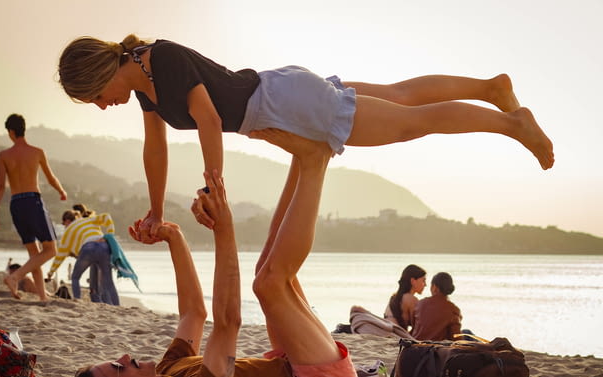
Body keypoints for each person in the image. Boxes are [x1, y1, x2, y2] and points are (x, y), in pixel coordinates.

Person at [57, 35, 554, 241]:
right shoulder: (146, 85)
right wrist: (156, 210)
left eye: (95, 96)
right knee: (401, 98)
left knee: (409, 124)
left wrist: (213, 184)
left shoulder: (158, 59)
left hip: (284, 103)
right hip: (281, 93)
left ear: (103, 70)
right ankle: (492, 88)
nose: (102, 105)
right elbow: (155, 147)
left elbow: (207, 119)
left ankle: (513, 124)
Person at [47, 141, 363, 377]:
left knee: (268, 265)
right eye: (119, 368)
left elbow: (193, 314)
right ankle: (316, 157)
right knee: (268, 284)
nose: (127, 357)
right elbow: (227, 323)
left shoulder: (168, 369)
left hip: (293, 369)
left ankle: (301, 150)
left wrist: (173, 236)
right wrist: (223, 228)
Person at [0, 113, 67, 301]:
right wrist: (61, 191)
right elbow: (50, 178)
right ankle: (15, 277)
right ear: (23, 129)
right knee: (50, 250)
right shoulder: (37, 152)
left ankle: (42, 296)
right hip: (33, 201)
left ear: (11, 132)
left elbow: (1, 186)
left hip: (16, 204)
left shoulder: (3, 156)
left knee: (34, 254)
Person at [47, 210, 120, 306]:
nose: (64, 226)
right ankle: (117, 306)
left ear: (67, 221)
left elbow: (59, 257)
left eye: (64, 223)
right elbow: (107, 216)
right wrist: (108, 235)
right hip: (104, 246)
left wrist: (51, 273)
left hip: (88, 248)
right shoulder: (88, 220)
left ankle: (77, 301)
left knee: (75, 277)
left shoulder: (67, 233)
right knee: (108, 282)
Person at [411, 272, 463, 341]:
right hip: (435, 349)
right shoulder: (453, 309)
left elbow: (414, 328)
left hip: (416, 346)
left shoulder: (420, 304)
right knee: (467, 332)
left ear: (434, 287)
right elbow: (456, 338)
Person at [383, 264, 427, 332]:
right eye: (423, 281)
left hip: (388, 332)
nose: (425, 285)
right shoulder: (411, 299)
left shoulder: (395, 296)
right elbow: (418, 328)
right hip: (396, 335)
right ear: (413, 281)